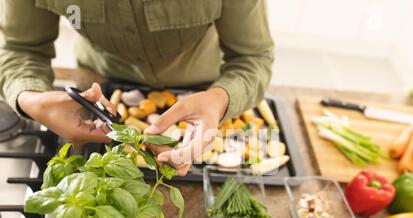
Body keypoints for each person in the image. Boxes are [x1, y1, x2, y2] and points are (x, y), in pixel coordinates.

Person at [0, 0, 273, 175]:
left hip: (207, 86)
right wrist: (30, 98)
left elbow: (252, 57)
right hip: (102, 88)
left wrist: (220, 99)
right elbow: (20, 48)